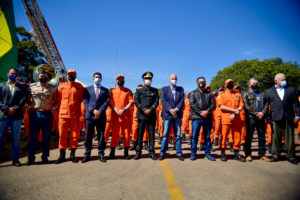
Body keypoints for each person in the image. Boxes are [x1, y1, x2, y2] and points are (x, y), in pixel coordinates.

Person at [264, 73, 300, 164]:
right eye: (282, 80)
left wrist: (298, 115)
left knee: (289, 137)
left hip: (288, 116)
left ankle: (291, 156)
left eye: (285, 79)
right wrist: (267, 116)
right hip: (275, 117)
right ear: (276, 81)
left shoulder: (291, 90)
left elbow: (296, 104)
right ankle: (276, 155)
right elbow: (266, 105)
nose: (284, 81)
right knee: (275, 137)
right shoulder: (268, 91)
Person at [27, 66, 57, 165]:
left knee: (46, 137)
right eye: (41, 75)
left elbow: (56, 101)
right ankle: (31, 157)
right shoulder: (32, 87)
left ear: (48, 77)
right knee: (33, 137)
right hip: (35, 113)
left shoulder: (53, 88)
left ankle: (45, 157)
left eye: (44, 75)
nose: (42, 76)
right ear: (37, 76)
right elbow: (27, 99)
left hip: (47, 114)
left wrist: (53, 107)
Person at [55, 69, 84, 164]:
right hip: (63, 115)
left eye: (73, 74)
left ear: (75, 76)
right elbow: (58, 101)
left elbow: (82, 101)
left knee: (74, 136)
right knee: (62, 135)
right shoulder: (61, 86)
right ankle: (62, 155)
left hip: (75, 115)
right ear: (67, 75)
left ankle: (72, 155)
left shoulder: (79, 87)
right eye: (69, 74)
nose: (71, 76)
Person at [0, 68, 28, 166]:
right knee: (0, 137)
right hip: (3, 115)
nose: (14, 75)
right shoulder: (1, 86)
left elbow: (23, 99)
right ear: (8, 74)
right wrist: (7, 109)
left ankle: (15, 159)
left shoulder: (21, 87)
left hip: (16, 116)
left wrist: (15, 108)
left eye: (16, 74)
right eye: (12, 73)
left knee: (16, 139)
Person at [82, 72, 110, 163]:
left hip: (101, 116)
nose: (97, 78)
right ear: (93, 78)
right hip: (90, 115)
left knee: (101, 135)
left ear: (101, 79)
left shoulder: (106, 90)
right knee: (89, 135)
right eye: (96, 77)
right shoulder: (87, 89)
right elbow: (85, 101)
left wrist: (99, 111)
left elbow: (106, 102)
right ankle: (87, 154)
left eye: (99, 77)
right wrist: (93, 110)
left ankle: (101, 154)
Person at [242, 77, 271, 162]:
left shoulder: (262, 93)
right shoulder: (246, 94)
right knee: (249, 137)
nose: (255, 84)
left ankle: (262, 154)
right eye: (254, 83)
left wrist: (262, 113)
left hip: (261, 117)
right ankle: (248, 155)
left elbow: (266, 104)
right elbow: (246, 106)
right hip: (251, 118)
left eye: (257, 83)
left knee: (262, 137)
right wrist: (256, 114)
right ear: (249, 85)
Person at [189, 77, 215, 161]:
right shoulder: (193, 93)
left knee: (207, 137)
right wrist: (201, 112)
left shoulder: (209, 93)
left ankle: (207, 153)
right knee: (195, 136)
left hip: (207, 118)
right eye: (200, 82)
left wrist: (207, 111)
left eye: (203, 82)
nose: (202, 83)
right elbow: (192, 105)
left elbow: (213, 105)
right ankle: (193, 153)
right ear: (197, 83)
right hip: (196, 118)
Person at [159, 74, 184, 161]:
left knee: (178, 135)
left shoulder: (180, 89)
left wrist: (176, 109)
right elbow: (163, 100)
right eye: (173, 78)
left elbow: (182, 101)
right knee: (165, 135)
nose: (174, 80)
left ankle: (179, 153)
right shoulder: (164, 89)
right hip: (167, 115)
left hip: (177, 115)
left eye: (175, 79)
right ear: (169, 80)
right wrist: (170, 110)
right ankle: (162, 153)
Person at [134, 72, 159, 160]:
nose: (148, 80)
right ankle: (138, 152)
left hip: (151, 115)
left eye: (150, 79)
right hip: (141, 115)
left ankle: (152, 152)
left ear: (151, 80)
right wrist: (143, 109)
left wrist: (151, 109)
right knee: (140, 134)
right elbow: (136, 101)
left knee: (151, 135)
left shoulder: (155, 90)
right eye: (146, 79)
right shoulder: (139, 90)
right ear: (143, 80)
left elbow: (156, 102)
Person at [108, 75, 134, 160]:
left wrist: (124, 110)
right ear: (116, 81)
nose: (120, 81)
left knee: (126, 134)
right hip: (115, 116)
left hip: (125, 116)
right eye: (118, 79)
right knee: (115, 134)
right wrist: (116, 110)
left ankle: (126, 153)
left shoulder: (128, 91)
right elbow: (110, 103)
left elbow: (131, 102)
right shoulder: (112, 90)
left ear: (124, 81)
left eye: (122, 79)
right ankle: (112, 153)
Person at [219, 79, 245, 162]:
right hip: (226, 118)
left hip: (236, 118)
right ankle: (223, 153)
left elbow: (241, 105)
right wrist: (233, 111)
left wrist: (236, 112)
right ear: (225, 85)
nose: (230, 84)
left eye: (231, 83)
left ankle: (236, 153)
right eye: (228, 83)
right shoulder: (222, 94)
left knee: (237, 136)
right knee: (224, 136)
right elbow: (221, 106)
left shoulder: (238, 94)